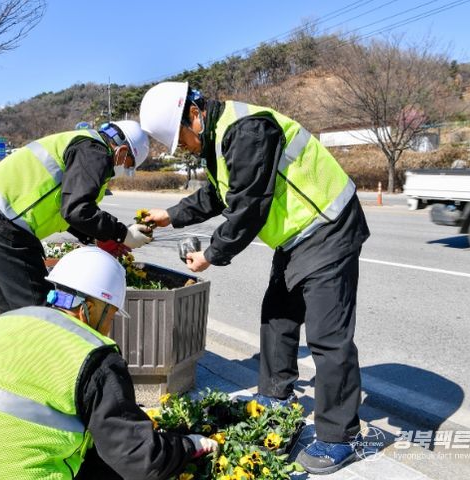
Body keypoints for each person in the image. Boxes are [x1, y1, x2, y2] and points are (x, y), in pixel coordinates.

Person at [139, 82, 370, 475]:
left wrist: (212, 254)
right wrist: (171, 215)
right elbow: (218, 195)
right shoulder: (220, 140)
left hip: (329, 227)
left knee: (327, 336)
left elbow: (248, 207)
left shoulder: (247, 131)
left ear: (193, 115)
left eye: (182, 139)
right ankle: (276, 398)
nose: (187, 148)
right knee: (277, 316)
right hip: (296, 237)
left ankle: (340, 436)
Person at [0, 246, 218, 479]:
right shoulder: (94, 356)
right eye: (111, 314)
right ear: (91, 307)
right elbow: (140, 460)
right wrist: (189, 445)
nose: (109, 327)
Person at [0, 120, 153, 314]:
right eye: (128, 166)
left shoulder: (82, 144)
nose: (123, 171)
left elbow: (64, 207)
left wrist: (96, 237)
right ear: (122, 151)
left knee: (13, 310)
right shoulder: (95, 152)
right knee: (39, 311)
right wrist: (122, 234)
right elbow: (77, 210)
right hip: (2, 221)